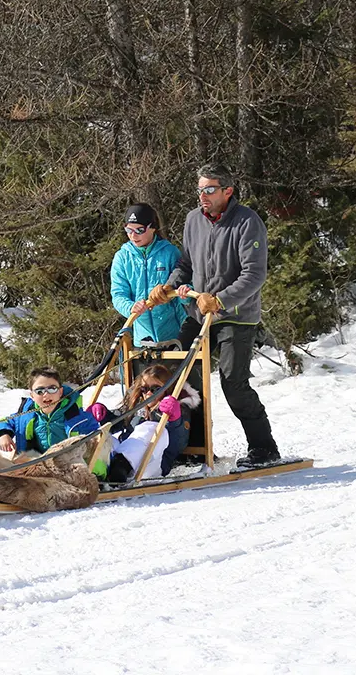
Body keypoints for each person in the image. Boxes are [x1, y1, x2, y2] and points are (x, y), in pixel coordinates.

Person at [167, 163, 280, 467]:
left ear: (227, 191)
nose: (202, 195)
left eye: (209, 189)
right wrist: (170, 285)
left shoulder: (247, 222)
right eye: (199, 189)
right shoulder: (193, 220)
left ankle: (264, 447)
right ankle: (194, 448)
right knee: (179, 376)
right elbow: (186, 263)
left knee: (233, 382)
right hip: (199, 312)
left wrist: (220, 300)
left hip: (236, 315)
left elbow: (254, 274)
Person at [87, 364, 200, 482]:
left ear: (167, 389)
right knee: (105, 437)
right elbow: (120, 424)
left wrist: (175, 420)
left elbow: (179, 444)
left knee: (150, 428)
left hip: (153, 463)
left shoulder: (178, 407)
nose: (149, 394)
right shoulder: (138, 404)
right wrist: (104, 416)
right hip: (123, 458)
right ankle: (98, 471)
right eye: (144, 389)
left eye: (155, 389)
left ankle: (119, 469)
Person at [110, 203, 188, 347]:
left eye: (139, 230)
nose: (133, 236)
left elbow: (184, 284)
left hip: (175, 335)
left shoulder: (169, 252)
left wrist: (185, 295)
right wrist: (130, 307)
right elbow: (118, 294)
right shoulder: (122, 257)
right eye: (128, 230)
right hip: (142, 339)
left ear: (152, 227)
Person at [0, 367, 100, 456]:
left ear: (60, 392)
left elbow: (96, 443)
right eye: (40, 391)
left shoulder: (79, 418)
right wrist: (3, 434)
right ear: (32, 396)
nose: (46, 394)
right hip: (37, 465)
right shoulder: (25, 416)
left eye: (52, 389)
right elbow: (4, 422)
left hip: (68, 465)